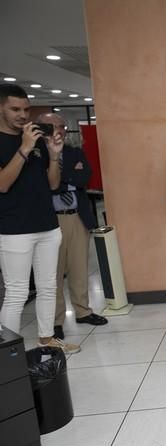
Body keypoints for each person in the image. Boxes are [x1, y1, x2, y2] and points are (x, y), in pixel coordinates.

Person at [0, 84, 80, 353]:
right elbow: (3, 184)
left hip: (47, 225)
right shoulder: (19, 142)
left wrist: (54, 155)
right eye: (15, 109)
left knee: (48, 287)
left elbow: (53, 185)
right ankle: (11, 351)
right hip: (13, 229)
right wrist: (24, 148)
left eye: (26, 109)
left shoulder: (37, 141)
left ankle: (47, 340)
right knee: (17, 294)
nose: (23, 115)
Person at [36, 113, 107, 340]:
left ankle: (83, 311)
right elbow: (47, 186)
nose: (59, 130)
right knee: (54, 274)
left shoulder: (74, 152)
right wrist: (66, 180)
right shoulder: (36, 153)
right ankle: (55, 321)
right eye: (53, 126)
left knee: (79, 268)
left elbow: (85, 176)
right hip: (50, 220)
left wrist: (61, 180)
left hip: (77, 216)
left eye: (62, 126)